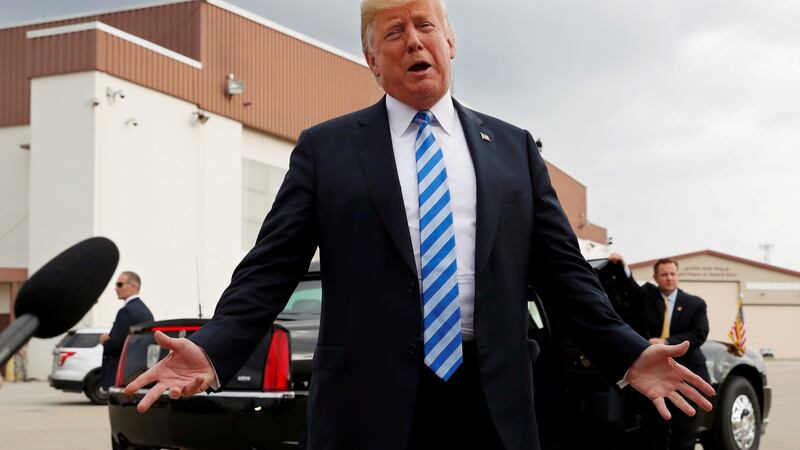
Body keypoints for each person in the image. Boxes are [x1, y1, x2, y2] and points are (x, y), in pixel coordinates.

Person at [126, 1, 714, 449]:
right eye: (393, 32)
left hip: (493, 402)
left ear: (451, 42)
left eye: (425, 26)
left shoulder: (513, 150)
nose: (414, 41)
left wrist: (628, 354)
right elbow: (271, 267)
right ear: (372, 60)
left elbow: (564, 274)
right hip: (367, 407)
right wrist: (215, 350)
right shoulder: (326, 151)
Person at [609, 254, 710, 450]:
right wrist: (622, 266)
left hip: (688, 372)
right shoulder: (646, 296)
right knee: (654, 431)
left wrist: (666, 342)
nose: (669, 278)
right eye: (664, 274)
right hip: (655, 376)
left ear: (678, 275)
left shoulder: (695, 304)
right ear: (655, 278)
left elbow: (699, 334)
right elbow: (629, 288)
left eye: (673, 273)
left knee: (684, 433)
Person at [101, 271, 154, 391]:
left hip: (122, 374)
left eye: (119, 284)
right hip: (138, 372)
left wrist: (105, 341)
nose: (115, 288)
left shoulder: (126, 311)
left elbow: (116, 344)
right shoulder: (145, 310)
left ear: (133, 287)